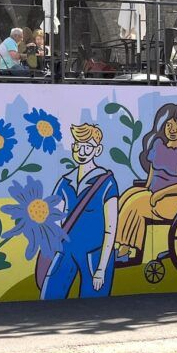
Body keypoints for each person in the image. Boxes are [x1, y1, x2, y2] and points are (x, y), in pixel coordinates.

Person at [116, 103, 177, 261]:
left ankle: (124, 251)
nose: (172, 129)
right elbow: (152, 172)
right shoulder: (158, 145)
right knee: (127, 197)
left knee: (137, 204)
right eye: (168, 125)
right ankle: (118, 245)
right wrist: (145, 189)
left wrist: (163, 192)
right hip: (155, 195)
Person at [40, 123, 118, 299]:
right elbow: (53, 217)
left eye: (88, 147)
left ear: (97, 150)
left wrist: (101, 268)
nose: (82, 152)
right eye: (78, 146)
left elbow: (110, 230)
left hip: (95, 255)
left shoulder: (107, 182)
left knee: (94, 304)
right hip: (65, 251)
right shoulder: (65, 182)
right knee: (49, 296)